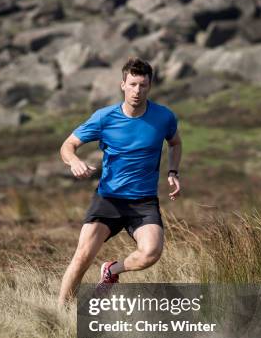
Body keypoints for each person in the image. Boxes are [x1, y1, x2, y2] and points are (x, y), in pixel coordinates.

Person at [57, 57, 182, 306]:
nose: (137, 91)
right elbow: (68, 145)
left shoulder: (164, 117)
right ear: (122, 84)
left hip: (143, 202)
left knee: (151, 253)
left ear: (150, 87)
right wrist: (74, 162)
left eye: (143, 86)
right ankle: (62, 312)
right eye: (133, 84)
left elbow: (175, 142)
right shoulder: (104, 118)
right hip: (109, 199)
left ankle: (112, 271)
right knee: (82, 257)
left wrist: (173, 172)